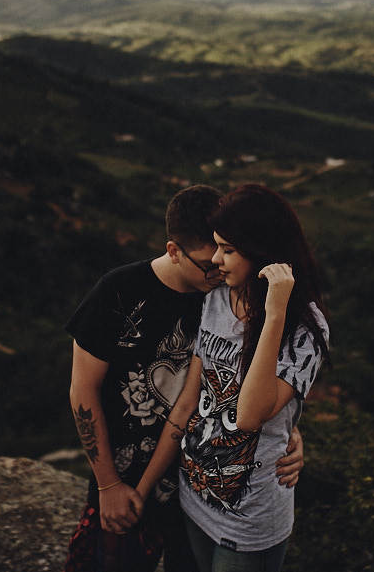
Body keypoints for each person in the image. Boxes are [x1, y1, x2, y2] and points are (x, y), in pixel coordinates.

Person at [65, 185, 304, 572]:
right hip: (126, 480)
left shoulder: (225, 295)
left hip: (196, 489)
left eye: (225, 255)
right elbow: (82, 390)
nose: (219, 271)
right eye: (208, 264)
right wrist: (107, 484)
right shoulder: (118, 291)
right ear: (174, 251)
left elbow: (252, 378)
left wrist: (287, 430)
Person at [172, 184, 330, 572]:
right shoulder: (215, 299)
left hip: (249, 519)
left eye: (228, 250)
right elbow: (191, 400)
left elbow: (249, 417)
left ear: (261, 252)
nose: (216, 259)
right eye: (216, 246)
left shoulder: (304, 328)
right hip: (193, 496)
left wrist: (273, 314)